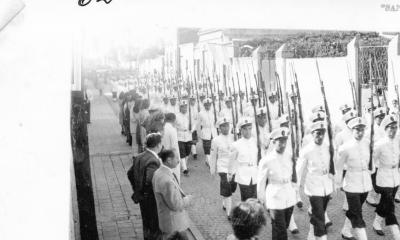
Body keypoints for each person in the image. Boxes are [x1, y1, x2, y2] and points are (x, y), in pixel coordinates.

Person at [257, 127, 297, 240]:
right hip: (275, 198)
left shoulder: (289, 156)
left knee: (280, 228)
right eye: (280, 141)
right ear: (274, 142)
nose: (283, 144)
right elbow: (261, 182)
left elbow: (293, 175)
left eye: (285, 141)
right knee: (281, 230)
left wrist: (295, 190)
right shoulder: (266, 160)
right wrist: (262, 200)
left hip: (289, 196)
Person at [336, 117, 372, 240]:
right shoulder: (345, 147)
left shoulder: (367, 143)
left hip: (365, 183)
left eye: (362, 129)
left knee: (354, 210)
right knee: (357, 214)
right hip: (351, 184)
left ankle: (346, 231)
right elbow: (339, 167)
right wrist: (337, 183)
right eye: (357, 130)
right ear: (351, 130)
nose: (360, 132)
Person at [297, 121, 334, 240]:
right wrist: (295, 190)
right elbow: (299, 171)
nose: (321, 136)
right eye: (318, 133)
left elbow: (333, 167)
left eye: (323, 133)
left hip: (326, 186)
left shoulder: (328, 147)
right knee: (320, 218)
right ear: (312, 134)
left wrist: (335, 183)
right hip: (313, 187)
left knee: (319, 214)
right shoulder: (306, 150)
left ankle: (310, 236)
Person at [128, 133, 164, 240]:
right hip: (152, 199)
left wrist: (137, 188)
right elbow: (150, 181)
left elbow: (130, 173)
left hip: (143, 198)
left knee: (146, 223)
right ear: (158, 145)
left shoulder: (139, 156)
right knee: (155, 226)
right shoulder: (153, 160)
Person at [152, 150, 193, 240]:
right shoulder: (167, 180)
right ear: (169, 160)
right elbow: (175, 205)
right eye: (177, 158)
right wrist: (188, 199)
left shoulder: (158, 172)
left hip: (167, 221)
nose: (179, 160)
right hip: (174, 224)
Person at [372, 114, 400, 239]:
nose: (393, 130)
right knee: (389, 206)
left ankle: (376, 223)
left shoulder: (398, 141)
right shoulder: (380, 144)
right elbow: (371, 162)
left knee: (385, 202)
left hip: (395, 177)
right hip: (383, 177)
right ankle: (396, 233)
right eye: (391, 128)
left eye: (395, 127)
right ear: (385, 128)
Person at [210, 117, 236, 219]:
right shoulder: (216, 140)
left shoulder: (234, 137)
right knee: (227, 187)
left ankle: (225, 202)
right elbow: (213, 156)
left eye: (227, 126)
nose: (226, 128)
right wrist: (212, 170)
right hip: (223, 167)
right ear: (219, 128)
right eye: (223, 126)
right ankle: (229, 213)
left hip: (233, 167)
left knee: (233, 187)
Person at [230, 117, 258, 201]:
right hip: (243, 174)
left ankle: (253, 213)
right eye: (245, 129)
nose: (248, 131)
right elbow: (232, 161)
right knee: (246, 198)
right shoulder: (236, 145)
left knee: (254, 197)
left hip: (255, 172)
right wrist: (231, 174)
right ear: (240, 130)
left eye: (250, 129)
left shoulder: (256, 142)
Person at [162, 113, 181, 182]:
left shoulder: (162, 128)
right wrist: (177, 158)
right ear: (174, 119)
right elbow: (174, 146)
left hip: (164, 154)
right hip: (172, 155)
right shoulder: (172, 129)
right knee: (175, 176)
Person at [198, 98, 217, 167]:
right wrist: (199, 134)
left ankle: (207, 160)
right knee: (207, 147)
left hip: (213, 131)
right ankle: (209, 162)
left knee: (213, 147)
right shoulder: (201, 113)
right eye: (206, 105)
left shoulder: (213, 112)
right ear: (204, 105)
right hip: (205, 131)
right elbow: (198, 124)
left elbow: (216, 122)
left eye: (209, 105)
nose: (208, 106)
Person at [176, 100, 192, 176]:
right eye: (183, 107)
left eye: (185, 107)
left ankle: (183, 165)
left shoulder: (189, 115)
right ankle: (185, 169)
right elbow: (174, 126)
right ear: (180, 108)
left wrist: (192, 129)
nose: (184, 108)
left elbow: (194, 123)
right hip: (180, 135)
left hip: (188, 134)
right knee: (182, 152)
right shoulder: (177, 116)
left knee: (188, 151)